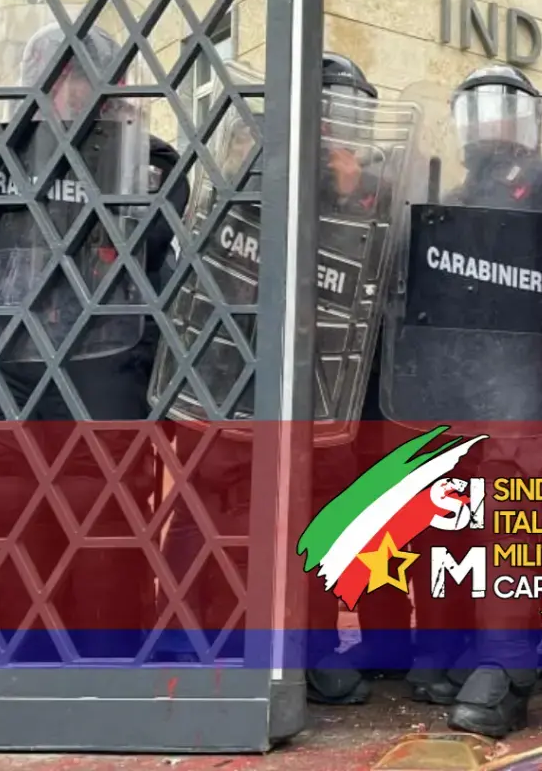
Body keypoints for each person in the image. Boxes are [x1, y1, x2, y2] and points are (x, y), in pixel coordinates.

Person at [149, 52, 417, 703]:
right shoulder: (257, 171)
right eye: (333, 118)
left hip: (325, 382)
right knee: (211, 500)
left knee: (318, 505)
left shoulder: (374, 194)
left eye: (352, 122)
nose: (343, 137)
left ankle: (309, 649)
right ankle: (191, 635)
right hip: (239, 370)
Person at [0, 22, 158, 661]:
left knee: (98, 502)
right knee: (15, 500)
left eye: (81, 77)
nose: (70, 89)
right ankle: (24, 646)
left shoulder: (146, 162)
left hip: (104, 362)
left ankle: (103, 650)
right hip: (16, 360)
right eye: (59, 75)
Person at [379, 64, 542, 737]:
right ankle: (443, 646)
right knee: (444, 519)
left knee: (513, 513)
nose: (491, 122)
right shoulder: (445, 200)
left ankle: (508, 668)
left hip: (525, 388)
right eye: (478, 109)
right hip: (452, 385)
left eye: (506, 107)